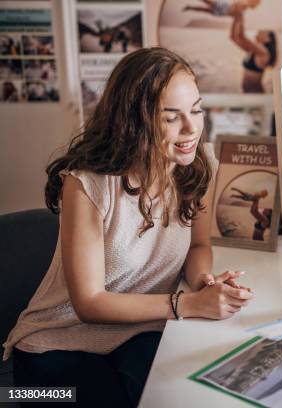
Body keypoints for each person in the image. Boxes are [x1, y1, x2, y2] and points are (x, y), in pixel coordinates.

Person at [2, 47, 254, 407]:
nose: (191, 128)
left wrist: (205, 285)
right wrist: (187, 304)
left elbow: (198, 247)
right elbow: (89, 304)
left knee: (178, 396)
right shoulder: (87, 184)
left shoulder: (200, 164)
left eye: (196, 110)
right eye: (171, 118)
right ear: (135, 120)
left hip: (141, 329)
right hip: (57, 342)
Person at [230, 12, 277, 93]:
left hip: (256, 95)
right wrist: (236, 17)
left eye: (263, 31)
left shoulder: (264, 52)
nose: (259, 31)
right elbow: (233, 37)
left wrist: (240, 15)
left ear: (268, 39)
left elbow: (241, 36)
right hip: (246, 94)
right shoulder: (253, 50)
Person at [183, 0, 261, 17]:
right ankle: (189, 7)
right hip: (223, 8)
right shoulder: (244, 4)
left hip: (222, 11)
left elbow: (232, 13)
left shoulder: (244, 8)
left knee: (203, 9)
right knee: (206, 4)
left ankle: (189, 7)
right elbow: (235, 5)